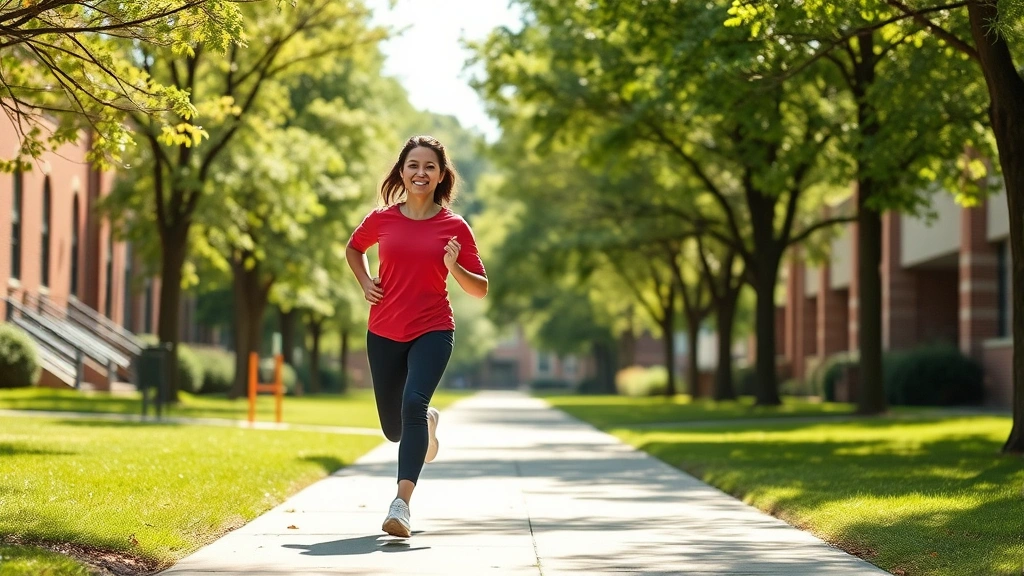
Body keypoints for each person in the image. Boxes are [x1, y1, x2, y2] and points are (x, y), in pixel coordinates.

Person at [345, 135, 488, 538]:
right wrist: (364, 282)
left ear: (441, 175)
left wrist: (453, 266)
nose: (420, 172)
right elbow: (354, 248)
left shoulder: (454, 227)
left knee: (411, 401)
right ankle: (428, 422)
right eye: (413, 165)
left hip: (433, 328)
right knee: (396, 429)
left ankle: (400, 505)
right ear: (402, 172)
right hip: (384, 330)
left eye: (429, 166)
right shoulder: (382, 219)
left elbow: (480, 287)